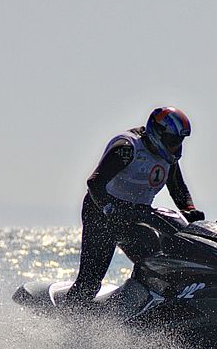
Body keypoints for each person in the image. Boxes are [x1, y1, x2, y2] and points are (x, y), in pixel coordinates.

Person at [64, 106, 204, 306]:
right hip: (101, 214)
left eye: (180, 141)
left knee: (158, 268)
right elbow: (95, 182)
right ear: (159, 133)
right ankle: (67, 324)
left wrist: (189, 210)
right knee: (90, 282)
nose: (176, 146)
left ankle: (138, 312)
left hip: (135, 217)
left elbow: (179, 189)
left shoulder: (168, 158)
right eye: (174, 141)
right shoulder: (127, 148)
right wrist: (109, 209)